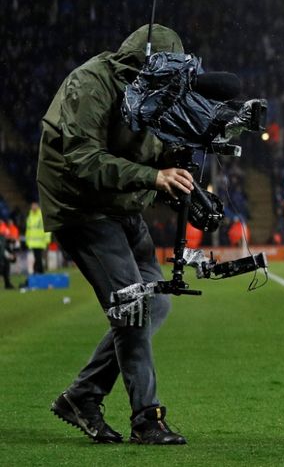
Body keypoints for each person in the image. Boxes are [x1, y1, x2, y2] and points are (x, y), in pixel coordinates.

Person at [37, 24, 192, 445]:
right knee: (134, 306)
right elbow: (83, 160)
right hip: (81, 206)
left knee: (155, 304)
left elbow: (160, 146)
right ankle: (147, 419)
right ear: (145, 66)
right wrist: (152, 177)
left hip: (123, 203)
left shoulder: (156, 90)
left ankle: (82, 395)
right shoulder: (90, 83)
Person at [25, 202, 50, 274]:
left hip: (40, 242)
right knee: (37, 258)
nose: (33, 207)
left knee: (38, 258)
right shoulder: (30, 217)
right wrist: (27, 240)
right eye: (32, 206)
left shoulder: (41, 216)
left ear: (38, 206)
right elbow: (28, 230)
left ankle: (38, 271)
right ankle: (39, 272)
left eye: (34, 206)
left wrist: (47, 239)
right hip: (32, 242)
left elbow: (47, 228)